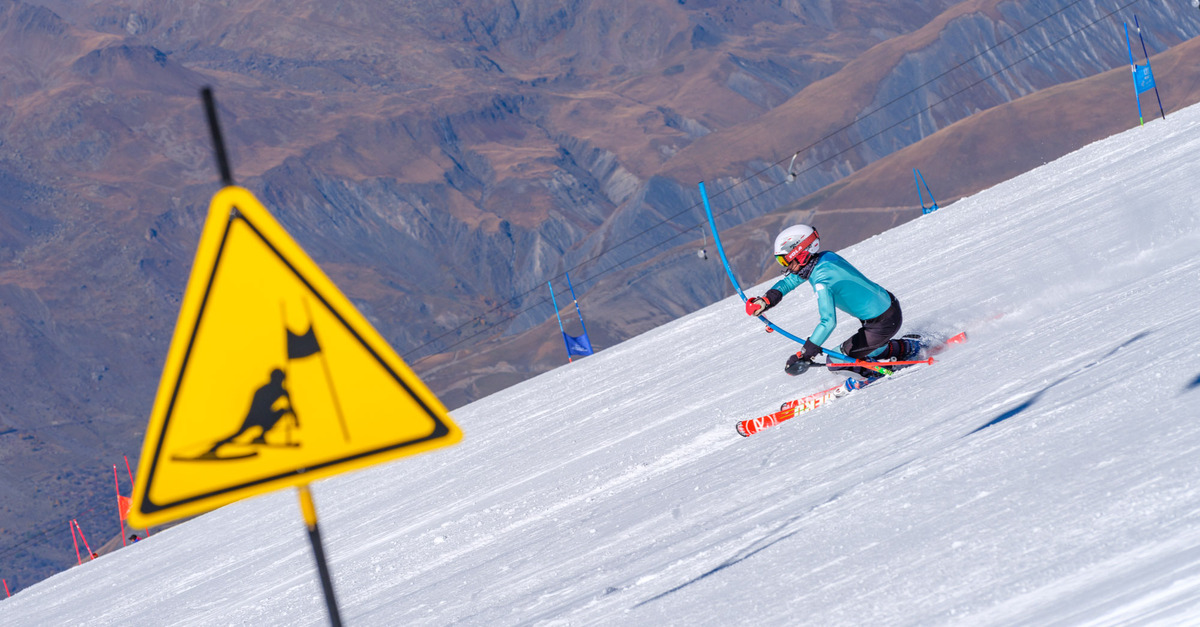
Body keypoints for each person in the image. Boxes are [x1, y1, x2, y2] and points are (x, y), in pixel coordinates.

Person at [744, 224, 921, 389]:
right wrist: (766, 301)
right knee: (865, 348)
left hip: (881, 324)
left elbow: (828, 322)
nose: (786, 267)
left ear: (801, 254)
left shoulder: (822, 280)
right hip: (887, 310)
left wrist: (806, 354)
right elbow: (790, 281)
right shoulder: (824, 258)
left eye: (785, 262)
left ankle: (869, 376)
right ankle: (905, 348)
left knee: (835, 361)